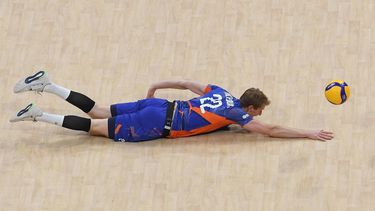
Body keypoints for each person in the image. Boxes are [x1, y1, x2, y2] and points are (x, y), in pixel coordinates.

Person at [10, 71, 334, 142]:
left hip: (159, 104)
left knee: (98, 109)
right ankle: (39, 115)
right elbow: (271, 130)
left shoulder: (221, 93)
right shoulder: (236, 113)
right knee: (96, 129)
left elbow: (186, 84)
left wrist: (155, 87)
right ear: (250, 107)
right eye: (258, 111)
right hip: (156, 125)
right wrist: (309, 133)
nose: (260, 116)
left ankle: (48, 84)